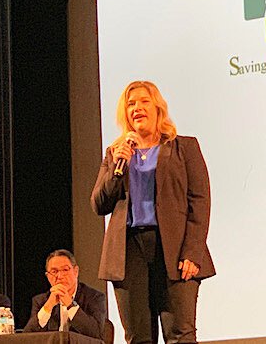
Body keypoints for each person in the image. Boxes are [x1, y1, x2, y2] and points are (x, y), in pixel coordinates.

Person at [91, 80, 215, 344]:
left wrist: (192, 252)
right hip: (129, 252)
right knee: (138, 338)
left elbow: (200, 201)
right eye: (131, 104)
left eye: (144, 101)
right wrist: (118, 168)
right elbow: (99, 204)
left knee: (180, 335)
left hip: (174, 250)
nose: (137, 108)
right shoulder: (115, 154)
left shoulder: (184, 147)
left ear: (158, 108)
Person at [23, 249, 105, 339]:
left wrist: (70, 304)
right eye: (54, 272)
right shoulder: (40, 301)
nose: (60, 276)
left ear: (76, 271)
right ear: (48, 276)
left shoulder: (94, 297)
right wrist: (48, 306)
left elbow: (97, 334)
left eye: (65, 270)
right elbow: (27, 337)